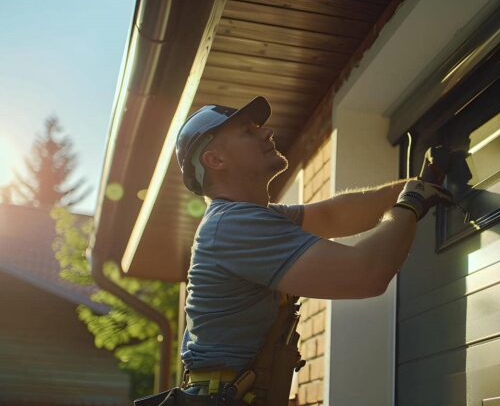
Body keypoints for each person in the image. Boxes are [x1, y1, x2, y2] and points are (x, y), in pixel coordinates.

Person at [172, 96, 452, 404]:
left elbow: (334, 215)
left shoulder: (250, 219)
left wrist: (419, 184)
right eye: (247, 132)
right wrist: (411, 204)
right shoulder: (233, 226)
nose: (267, 133)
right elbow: (366, 274)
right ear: (215, 160)